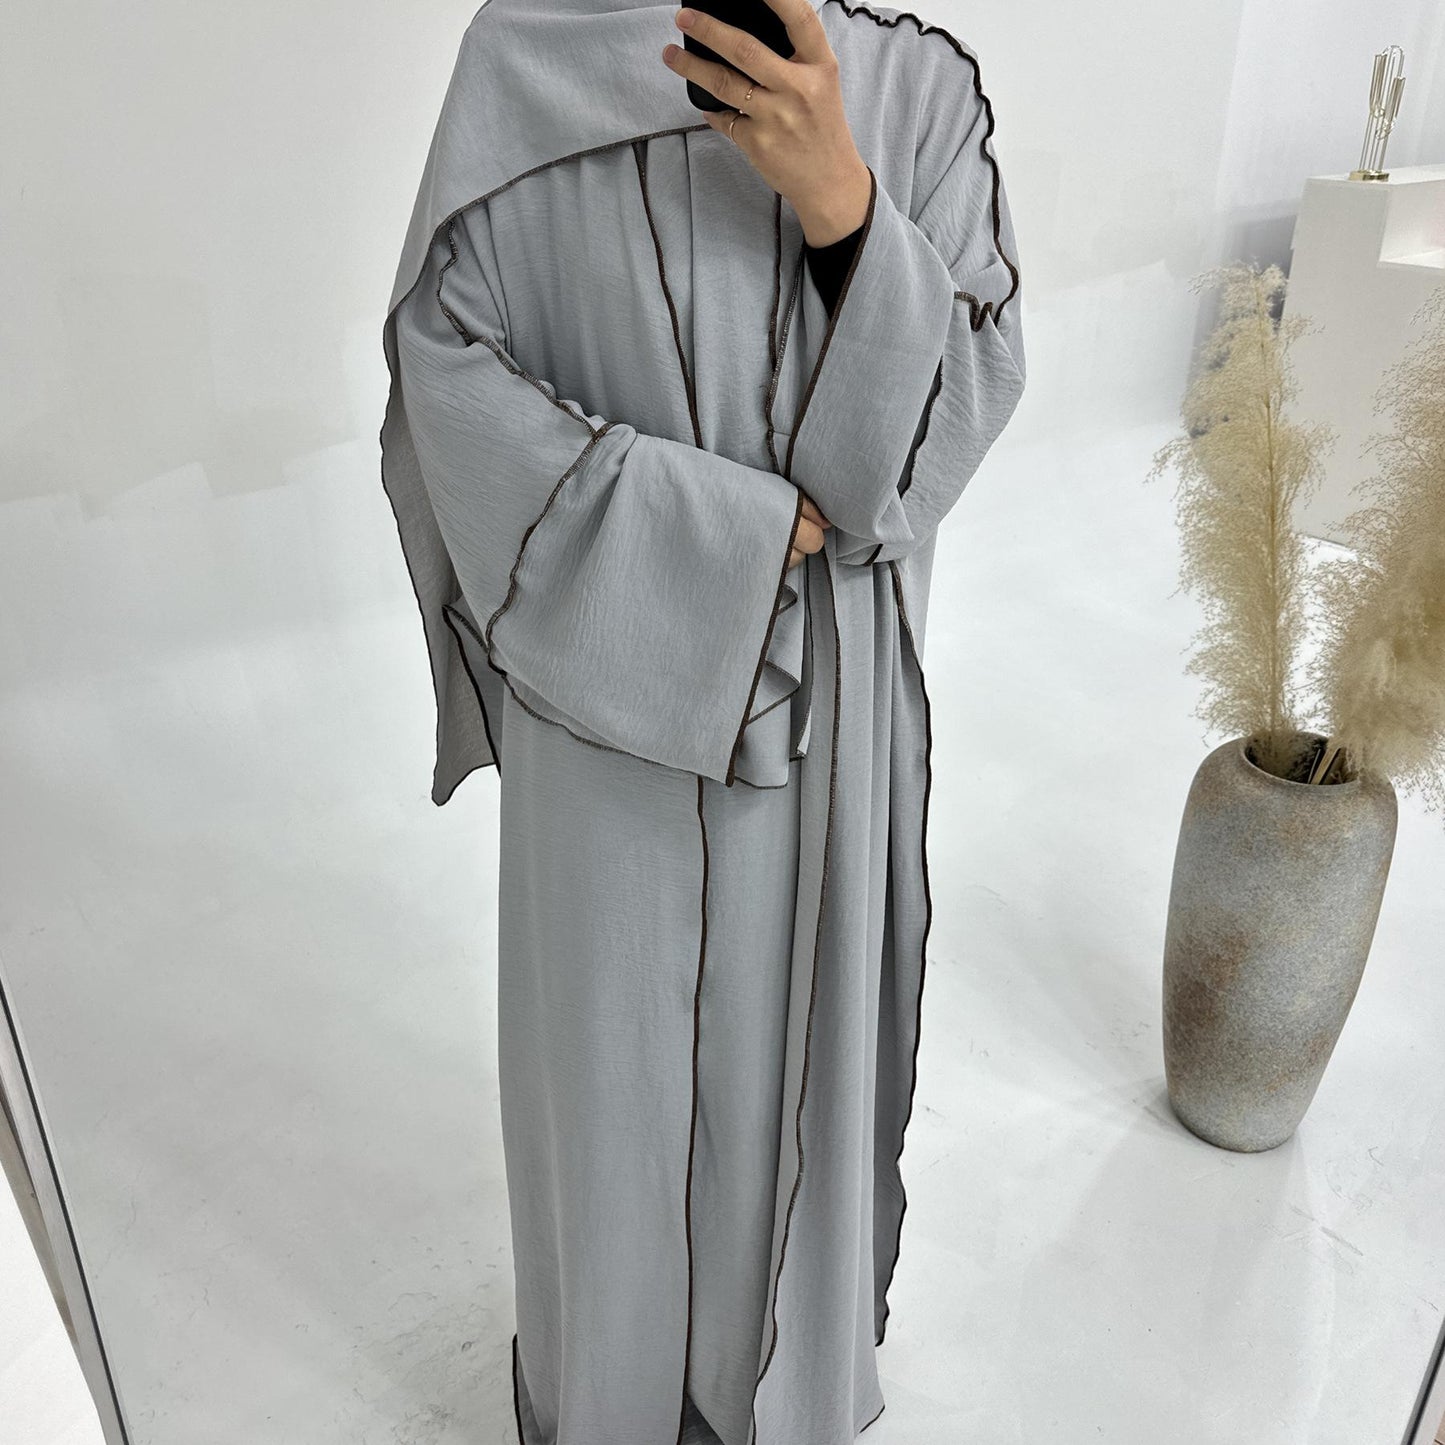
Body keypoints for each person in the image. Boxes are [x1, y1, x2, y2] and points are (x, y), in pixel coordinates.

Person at [378, 2, 1027, 1441]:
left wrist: (843, 206)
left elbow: (965, 396)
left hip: (820, 723)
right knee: (608, 1075)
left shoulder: (912, 93)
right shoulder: (525, 64)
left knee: (786, 1078)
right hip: (604, 704)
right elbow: (445, 362)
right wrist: (709, 543)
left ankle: (770, 1395)